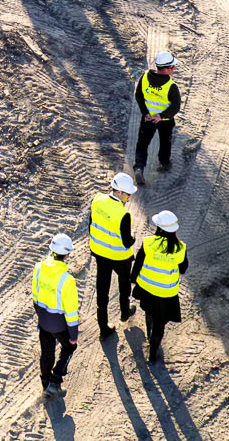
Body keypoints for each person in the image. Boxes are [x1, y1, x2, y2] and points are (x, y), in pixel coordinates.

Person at [132, 209, 189, 363]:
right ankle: (152, 353)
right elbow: (183, 269)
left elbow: (138, 262)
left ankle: (148, 333)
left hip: (147, 289)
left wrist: (133, 279)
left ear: (160, 228)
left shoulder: (149, 243)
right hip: (167, 293)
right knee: (160, 325)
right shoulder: (180, 248)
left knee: (149, 312)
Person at [88, 171, 138, 335]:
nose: (129, 197)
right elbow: (127, 242)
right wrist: (134, 235)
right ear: (119, 192)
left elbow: (92, 224)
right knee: (124, 286)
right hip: (119, 258)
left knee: (102, 289)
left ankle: (103, 326)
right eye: (128, 194)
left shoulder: (97, 200)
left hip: (100, 254)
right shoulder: (123, 214)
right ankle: (125, 312)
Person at [31, 233, 81, 397]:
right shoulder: (67, 280)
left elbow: (35, 297)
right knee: (69, 347)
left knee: (47, 353)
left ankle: (45, 384)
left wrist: (41, 318)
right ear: (67, 254)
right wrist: (73, 335)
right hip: (59, 325)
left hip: (44, 320)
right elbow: (71, 313)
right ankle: (56, 379)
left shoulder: (38, 268)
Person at [133, 51, 181, 179]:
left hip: (147, 119)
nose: (173, 69)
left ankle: (139, 167)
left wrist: (145, 113)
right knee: (165, 142)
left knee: (142, 143)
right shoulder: (171, 87)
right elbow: (175, 107)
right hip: (165, 121)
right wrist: (161, 116)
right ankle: (164, 163)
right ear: (167, 69)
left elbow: (138, 95)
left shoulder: (144, 77)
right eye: (172, 67)